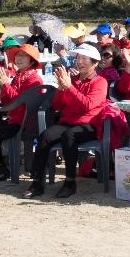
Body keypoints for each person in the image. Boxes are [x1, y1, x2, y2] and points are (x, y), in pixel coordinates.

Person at [29, 44, 107, 199]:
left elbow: (88, 105)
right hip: (68, 122)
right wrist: (60, 88)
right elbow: (58, 106)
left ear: (95, 63)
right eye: (78, 58)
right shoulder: (72, 80)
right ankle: (37, 182)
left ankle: (70, 182)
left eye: (84, 59)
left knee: (69, 136)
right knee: (45, 136)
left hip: (88, 124)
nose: (79, 61)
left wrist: (69, 87)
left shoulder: (100, 82)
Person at [0, 43, 45, 182]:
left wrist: (5, 84)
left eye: (23, 56)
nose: (18, 58)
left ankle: (0, 169)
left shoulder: (33, 79)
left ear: (31, 60)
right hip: (17, 119)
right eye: (17, 55)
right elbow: (6, 102)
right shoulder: (19, 76)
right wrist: (4, 87)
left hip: (25, 122)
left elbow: (19, 103)